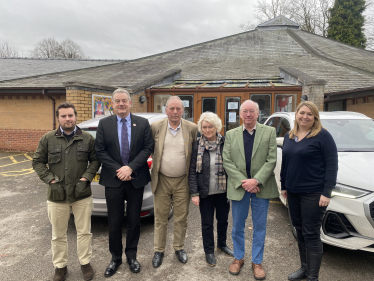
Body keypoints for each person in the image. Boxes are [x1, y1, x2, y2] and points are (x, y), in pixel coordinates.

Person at [32, 102, 100, 281]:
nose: (67, 119)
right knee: (58, 234)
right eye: (63, 116)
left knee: (84, 232)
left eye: (70, 115)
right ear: (58, 118)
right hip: (57, 195)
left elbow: (95, 161)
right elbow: (37, 162)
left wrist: (86, 178)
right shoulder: (48, 139)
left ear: (75, 116)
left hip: (82, 194)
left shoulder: (87, 138)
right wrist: (50, 180)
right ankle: (60, 267)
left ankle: (85, 263)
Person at [94, 89, 153, 277]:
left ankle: (132, 256)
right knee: (114, 221)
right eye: (117, 101)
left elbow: (147, 148)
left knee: (134, 221)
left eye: (124, 101)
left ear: (130, 103)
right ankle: (115, 258)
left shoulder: (142, 123)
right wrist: (119, 170)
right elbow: (100, 151)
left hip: (136, 179)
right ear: (112, 104)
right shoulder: (104, 124)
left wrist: (131, 168)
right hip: (113, 180)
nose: (121, 104)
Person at [280, 101, 338, 281]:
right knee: (299, 230)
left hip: (313, 193)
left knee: (311, 233)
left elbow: (332, 165)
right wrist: (283, 185)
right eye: (302, 113)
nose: (305, 116)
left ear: (315, 118)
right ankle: (304, 268)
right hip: (293, 192)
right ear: (296, 115)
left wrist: (327, 192)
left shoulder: (323, 136)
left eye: (309, 114)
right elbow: (286, 162)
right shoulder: (290, 136)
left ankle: (313, 276)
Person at [223, 100, 278, 280]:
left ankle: (257, 261)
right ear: (240, 114)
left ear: (257, 113)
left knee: (260, 226)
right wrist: (244, 182)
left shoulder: (269, 132)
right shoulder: (230, 135)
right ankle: (239, 258)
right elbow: (227, 161)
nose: (248, 114)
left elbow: (271, 159)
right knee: (237, 226)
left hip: (261, 187)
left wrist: (256, 181)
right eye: (245, 111)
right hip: (240, 188)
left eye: (252, 111)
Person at [150, 96, 198, 268]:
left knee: (181, 217)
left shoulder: (192, 128)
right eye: (172, 108)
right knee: (160, 218)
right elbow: (148, 149)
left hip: (182, 180)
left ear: (183, 110)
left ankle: (179, 248)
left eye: (178, 109)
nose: (175, 112)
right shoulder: (156, 127)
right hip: (161, 179)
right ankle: (159, 250)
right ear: (166, 110)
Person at [189, 112, 233, 267]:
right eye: (204, 127)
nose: (207, 130)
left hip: (223, 191)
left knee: (223, 221)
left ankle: (221, 244)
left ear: (217, 127)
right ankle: (209, 251)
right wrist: (194, 193)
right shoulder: (197, 145)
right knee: (207, 223)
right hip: (205, 193)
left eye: (210, 126)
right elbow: (192, 171)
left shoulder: (225, 142)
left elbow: (232, 166)